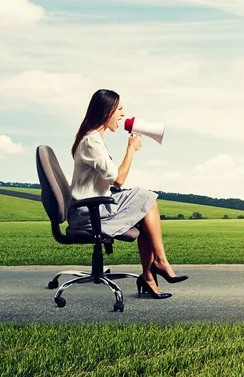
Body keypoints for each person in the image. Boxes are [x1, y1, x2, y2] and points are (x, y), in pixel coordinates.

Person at [69, 89, 188, 300]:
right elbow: (119, 179)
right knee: (146, 198)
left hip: (97, 206)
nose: (123, 115)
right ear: (107, 111)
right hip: (89, 212)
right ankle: (157, 265)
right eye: (120, 109)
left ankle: (150, 274)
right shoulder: (91, 142)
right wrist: (131, 149)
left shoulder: (94, 139)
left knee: (147, 201)